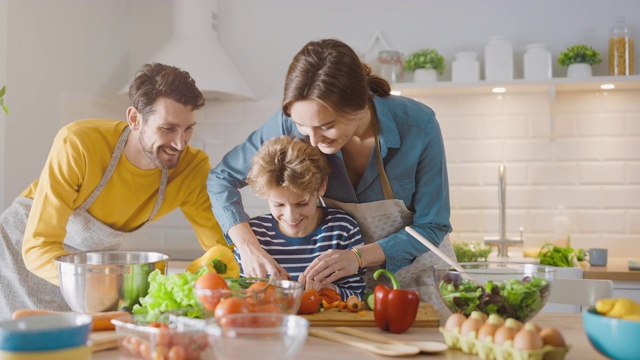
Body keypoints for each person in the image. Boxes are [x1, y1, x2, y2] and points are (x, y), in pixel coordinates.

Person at [208, 38, 455, 317]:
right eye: (302, 126)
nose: (312, 140)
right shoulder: (289, 124)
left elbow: (432, 226)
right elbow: (221, 179)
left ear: (360, 105)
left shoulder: (418, 125)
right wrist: (248, 246)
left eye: (326, 126)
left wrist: (358, 257)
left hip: (416, 279)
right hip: (348, 293)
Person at [0, 63, 226, 320]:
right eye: (168, 128)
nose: (179, 143)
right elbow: (38, 245)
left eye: (188, 129)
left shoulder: (191, 168)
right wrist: (103, 281)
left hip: (88, 275)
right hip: (18, 253)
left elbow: (219, 251)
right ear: (134, 119)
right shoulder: (79, 144)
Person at [241, 135, 365, 300]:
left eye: (302, 204)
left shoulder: (342, 229)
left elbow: (358, 296)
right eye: (279, 205)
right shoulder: (253, 236)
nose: (291, 216)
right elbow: (241, 295)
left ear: (321, 186)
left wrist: (327, 290)